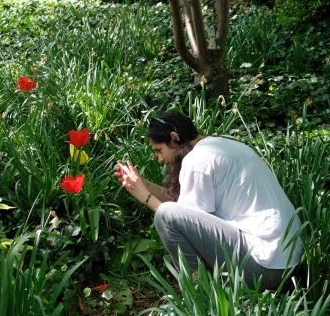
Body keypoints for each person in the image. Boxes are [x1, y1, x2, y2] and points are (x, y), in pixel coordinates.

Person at [114, 109, 303, 290]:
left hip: (264, 266)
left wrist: (145, 197)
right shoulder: (221, 144)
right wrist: (143, 184)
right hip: (288, 261)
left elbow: (177, 219)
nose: (160, 159)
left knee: (164, 215)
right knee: (168, 213)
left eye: (159, 150)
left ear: (174, 138)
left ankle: (200, 296)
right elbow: (184, 213)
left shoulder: (198, 160)